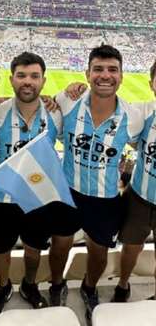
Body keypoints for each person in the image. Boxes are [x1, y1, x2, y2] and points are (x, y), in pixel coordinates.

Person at [50, 45, 144, 325]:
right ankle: (57, 284)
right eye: (98, 69)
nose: (105, 75)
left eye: (112, 69)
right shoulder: (67, 101)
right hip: (68, 191)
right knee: (59, 246)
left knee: (99, 252)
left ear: (122, 76)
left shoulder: (134, 116)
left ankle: (89, 288)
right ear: (87, 73)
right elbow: (39, 113)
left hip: (106, 199)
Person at [0, 52, 64, 325]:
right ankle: (3, 286)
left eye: (34, 76)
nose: (27, 82)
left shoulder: (56, 114)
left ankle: (29, 284)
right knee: (1, 251)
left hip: (37, 199)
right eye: (21, 76)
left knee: (33, 250)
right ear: (12, 79)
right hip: (2, 198)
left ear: (43, 80)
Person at [106, 58, 156, 303]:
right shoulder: (144, 112)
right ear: (152, 84)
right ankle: (123, 284)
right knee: (130, 247)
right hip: (139, 196)